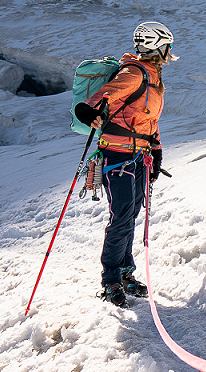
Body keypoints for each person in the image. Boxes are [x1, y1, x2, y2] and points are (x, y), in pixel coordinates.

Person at [74, 21, 176, 307]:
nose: (170, 52)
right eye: (167, 46)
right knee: (121, 216)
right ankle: (111, 280)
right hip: (117, 155)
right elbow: (104, 96)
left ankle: (125, 272)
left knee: (129, 214)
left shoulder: (154, 79)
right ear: (159, 47)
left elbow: (149, 121)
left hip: (138, 156)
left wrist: (155, 153)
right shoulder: (134, 73)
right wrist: (87, 111)